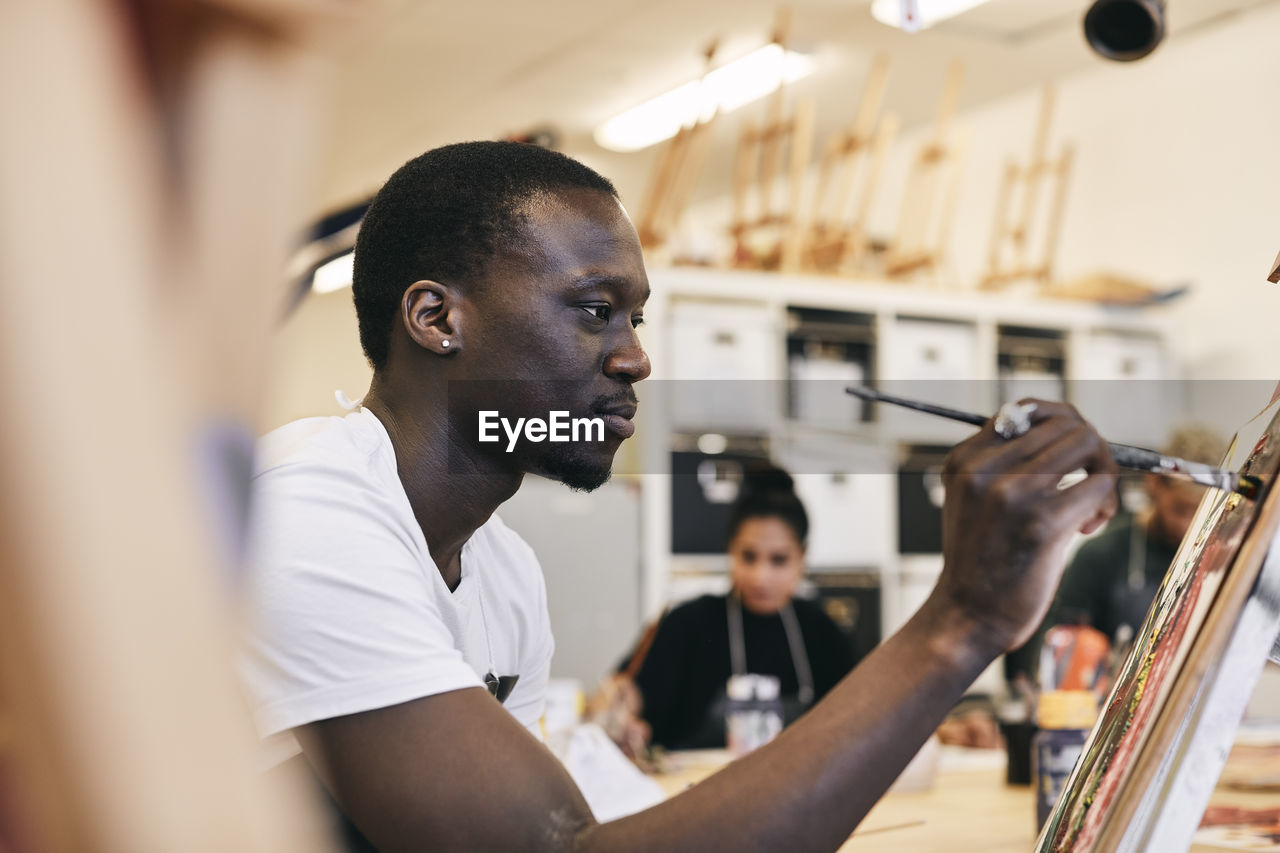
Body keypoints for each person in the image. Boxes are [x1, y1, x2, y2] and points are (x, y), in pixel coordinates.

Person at [242, 140, 1118, 852]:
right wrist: (958, 622)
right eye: (593, 310)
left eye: (636, 319)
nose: (634, 358)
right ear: (436, 318)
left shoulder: (505, 574)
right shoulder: (307, 514)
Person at [613, 465, 857, 751]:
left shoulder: (822, 633)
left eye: (778, 560)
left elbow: (857, 718)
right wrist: (621, 716)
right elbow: (626, 697)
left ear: (802, 557)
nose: (760, 577)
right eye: (748, 557)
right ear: (731, 550)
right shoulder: (688, 624)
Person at [1005, 425, 1227, 682]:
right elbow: (1056, 650)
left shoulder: (1222, 559)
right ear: (1153, 482)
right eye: (1180, 510)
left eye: (1203, 514)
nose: (1189, 525)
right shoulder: (1099, 555)